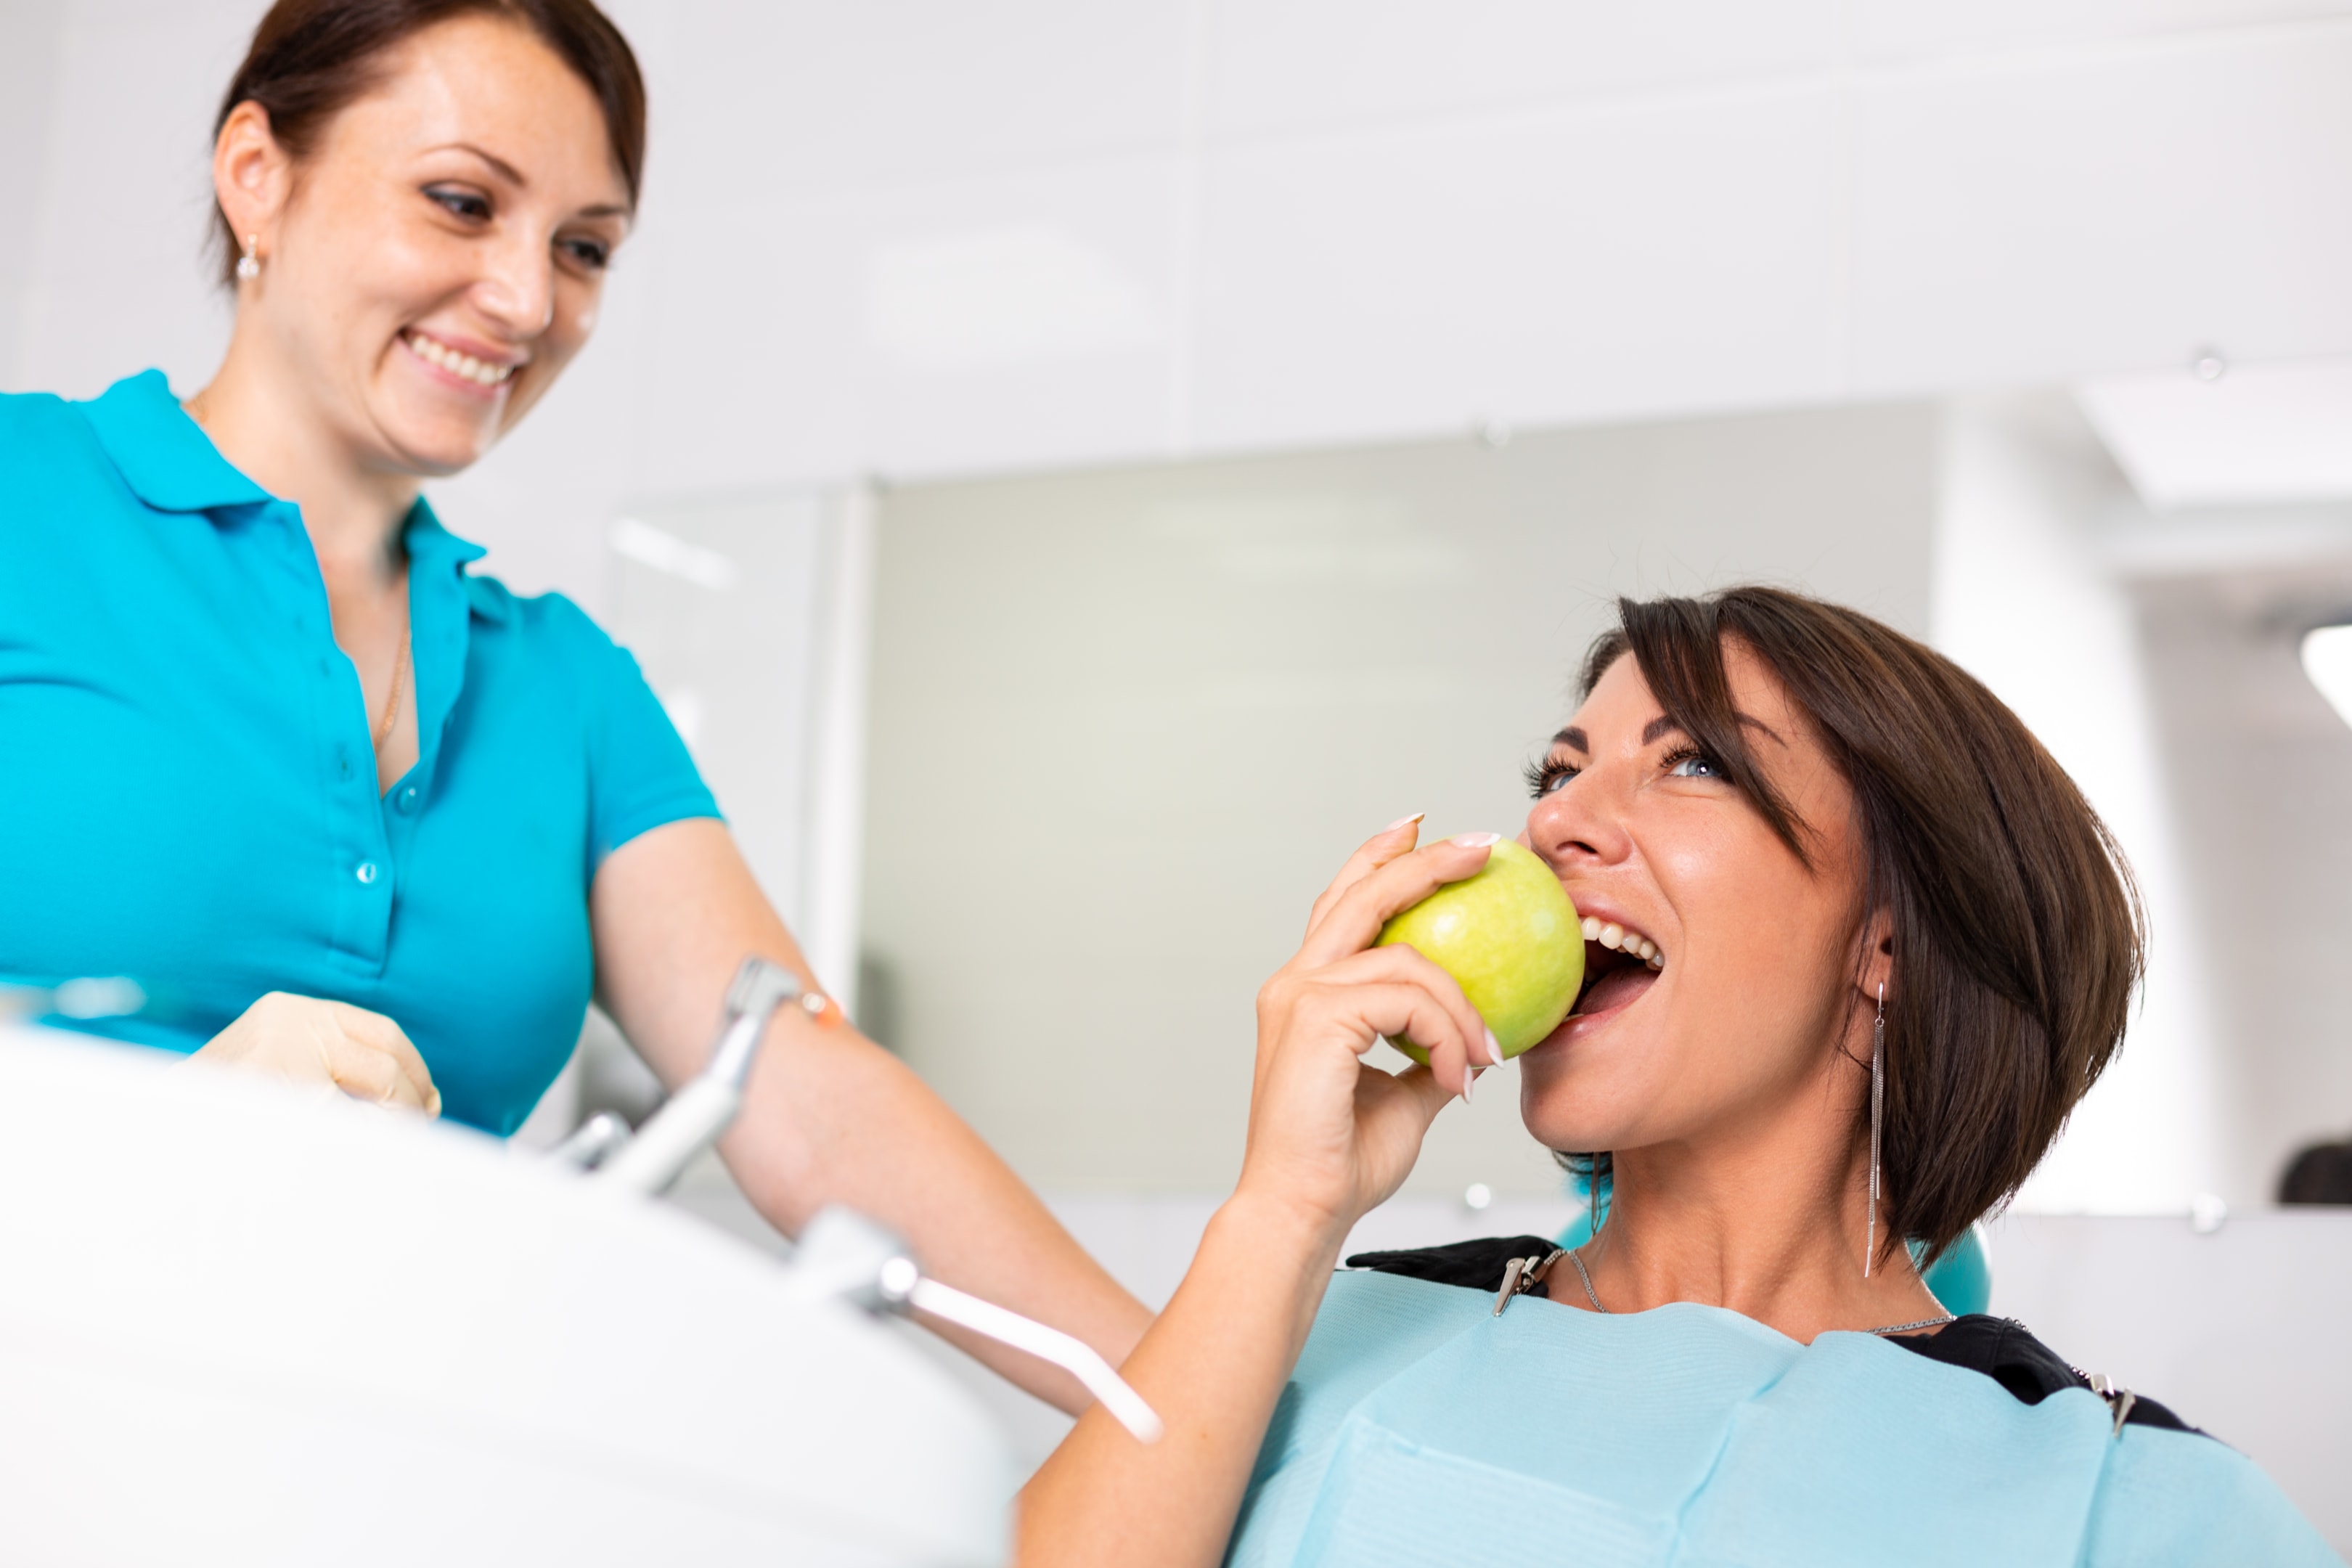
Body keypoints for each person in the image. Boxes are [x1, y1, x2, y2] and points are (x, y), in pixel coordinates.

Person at [0, 0, 1147, 1413]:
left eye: (583, 248)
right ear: (259, 174)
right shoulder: (22, 497)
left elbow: (811, 1104)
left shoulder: (566, 684)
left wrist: (1175, 1395)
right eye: (462, 202)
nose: (530, 301)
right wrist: (150, 1134)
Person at [1016, 587, 2337, 1566]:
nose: (1552, 822)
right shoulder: (1311, 1337)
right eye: (1563, 770)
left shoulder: (2143, 1514)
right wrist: (1284, 1213)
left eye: (1692, 764)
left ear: (1887, 942)